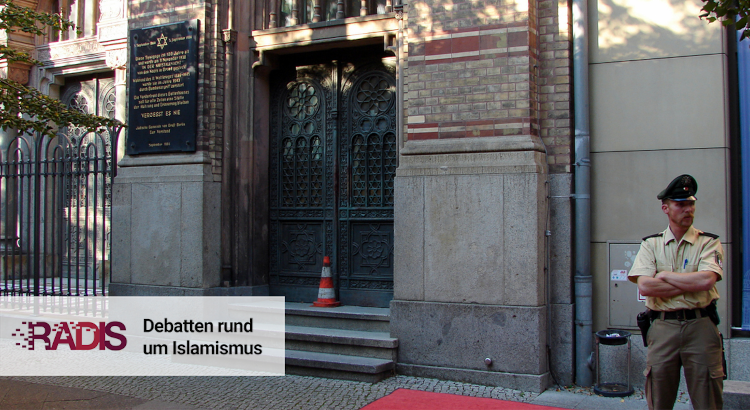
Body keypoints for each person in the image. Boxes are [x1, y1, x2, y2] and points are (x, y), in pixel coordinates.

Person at [628, 174, 725, 410]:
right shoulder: (651, 244)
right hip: (663, 327)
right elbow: (646, 286)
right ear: (666, 208)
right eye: (680, 204)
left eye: (691, 203)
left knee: (707, 399)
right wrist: (688, 282)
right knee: (659, 397)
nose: (688, 209)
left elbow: (706, 280)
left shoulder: (708, 243)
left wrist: (665, 276)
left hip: (700, 326)